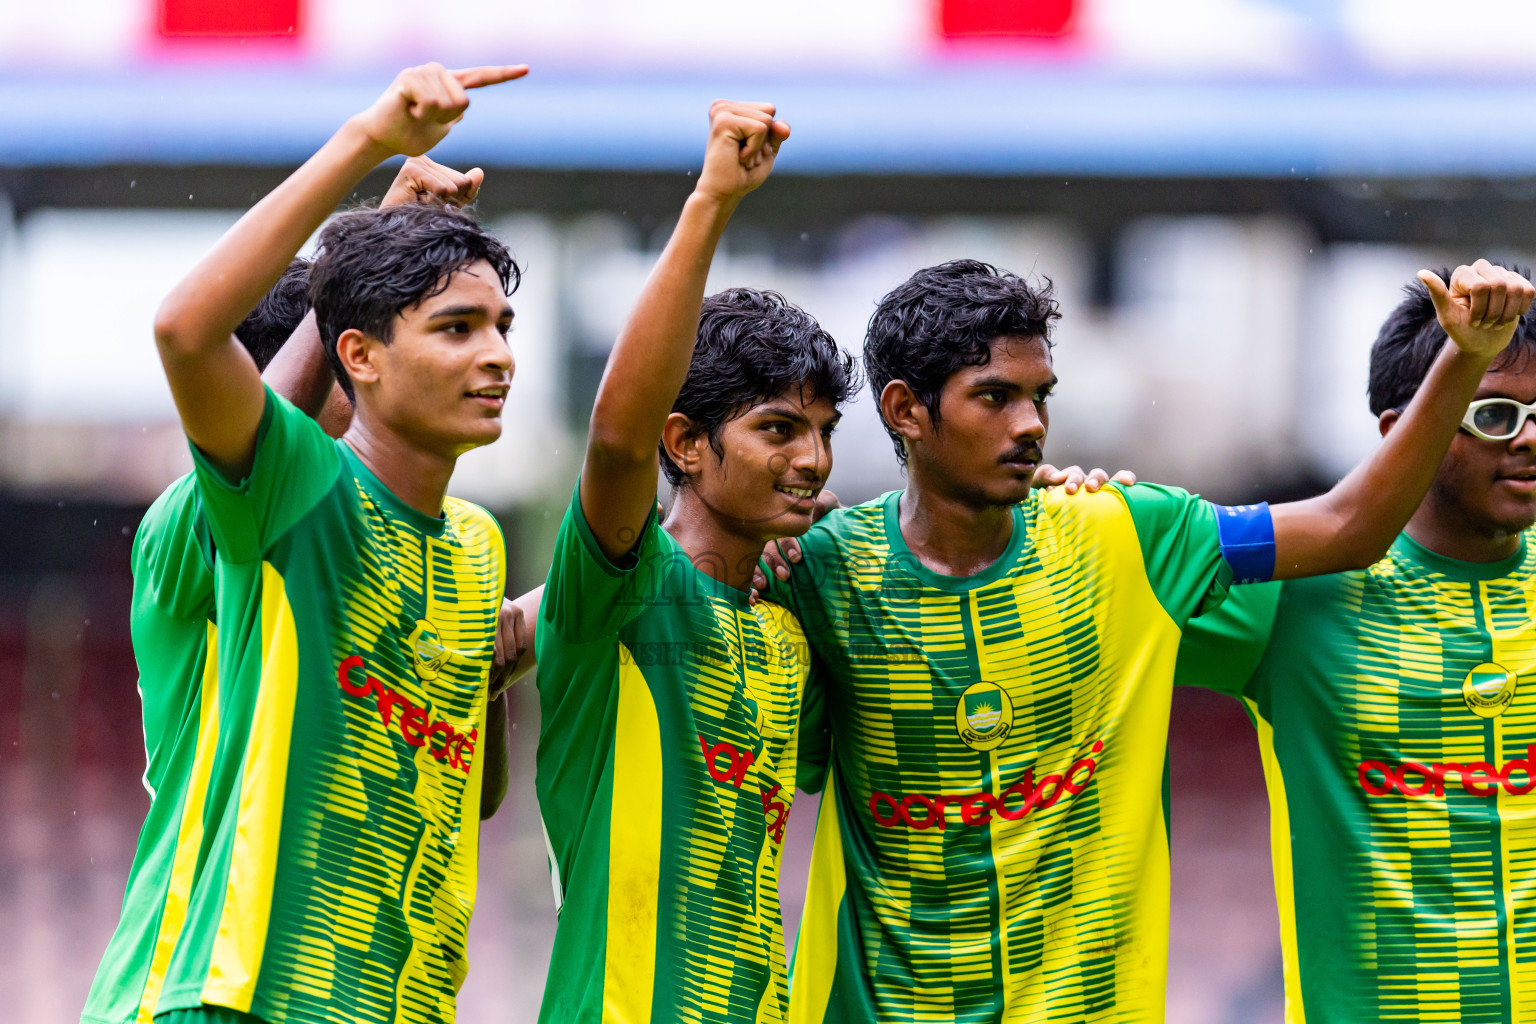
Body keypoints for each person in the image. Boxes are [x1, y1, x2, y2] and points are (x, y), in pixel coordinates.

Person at [758, 257, 1533, 1022]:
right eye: (995, 397)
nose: (1029, 424)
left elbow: (1344, 526)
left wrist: (1468, 354)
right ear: (905, 410)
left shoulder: (1125, 534)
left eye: (1039, 397)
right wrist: (746, 553)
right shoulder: (817, 572)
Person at [86, 61, 527, 1024]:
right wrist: (362, 199)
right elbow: (204, 349)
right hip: (204, 984)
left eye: (499, 327)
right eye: (451, 329)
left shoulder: (458, 540)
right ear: (349, 356)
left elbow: (472, 780)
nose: (495, 354)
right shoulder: (210, 517)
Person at [532, 100, 858, 1023]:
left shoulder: (784, 628)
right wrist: (712, 202)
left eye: (823, 432)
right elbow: (615, 434)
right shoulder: (623, 590)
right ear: (684, 442)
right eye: (776, 429)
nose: (811, 458)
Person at [1173, 266, 1536, 1024]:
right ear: (1403, 431)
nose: (1528, 440)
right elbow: (1094, 595)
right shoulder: (1296, 591)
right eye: (1496, 415)